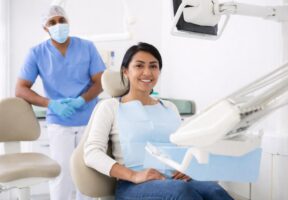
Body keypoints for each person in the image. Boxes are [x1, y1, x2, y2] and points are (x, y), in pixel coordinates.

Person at [84, 42, 233, 200]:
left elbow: (184, 145)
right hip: (134, 185)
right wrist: (134, 175)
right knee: (182, 193)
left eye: (153, 66)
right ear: (125, 71)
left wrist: (188, 166)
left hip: (175, 179)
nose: (147, 72)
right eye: (139, 66)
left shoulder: (169, 107)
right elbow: (92, 153)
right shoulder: (110, 107)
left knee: (215, 191)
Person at [15, 5, 106, 200]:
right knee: (62, 174)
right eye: (52, 22)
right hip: (59, 121)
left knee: (87, 173)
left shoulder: (87, 47)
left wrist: (82, 99)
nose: (58, 25)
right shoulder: (37, 53)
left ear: (68, 22)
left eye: (61, 20)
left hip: (89, 120)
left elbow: (101, 82)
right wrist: (51, 104)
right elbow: (21, 89)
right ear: (45, 28)